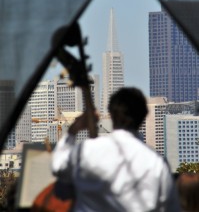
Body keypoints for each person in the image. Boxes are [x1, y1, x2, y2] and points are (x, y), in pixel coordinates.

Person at [52, 87, 181, 211]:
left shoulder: (86, 150)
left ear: (111, 114)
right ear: (144, 116)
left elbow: (58, 167)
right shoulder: (157, 162)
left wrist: (73, 131)